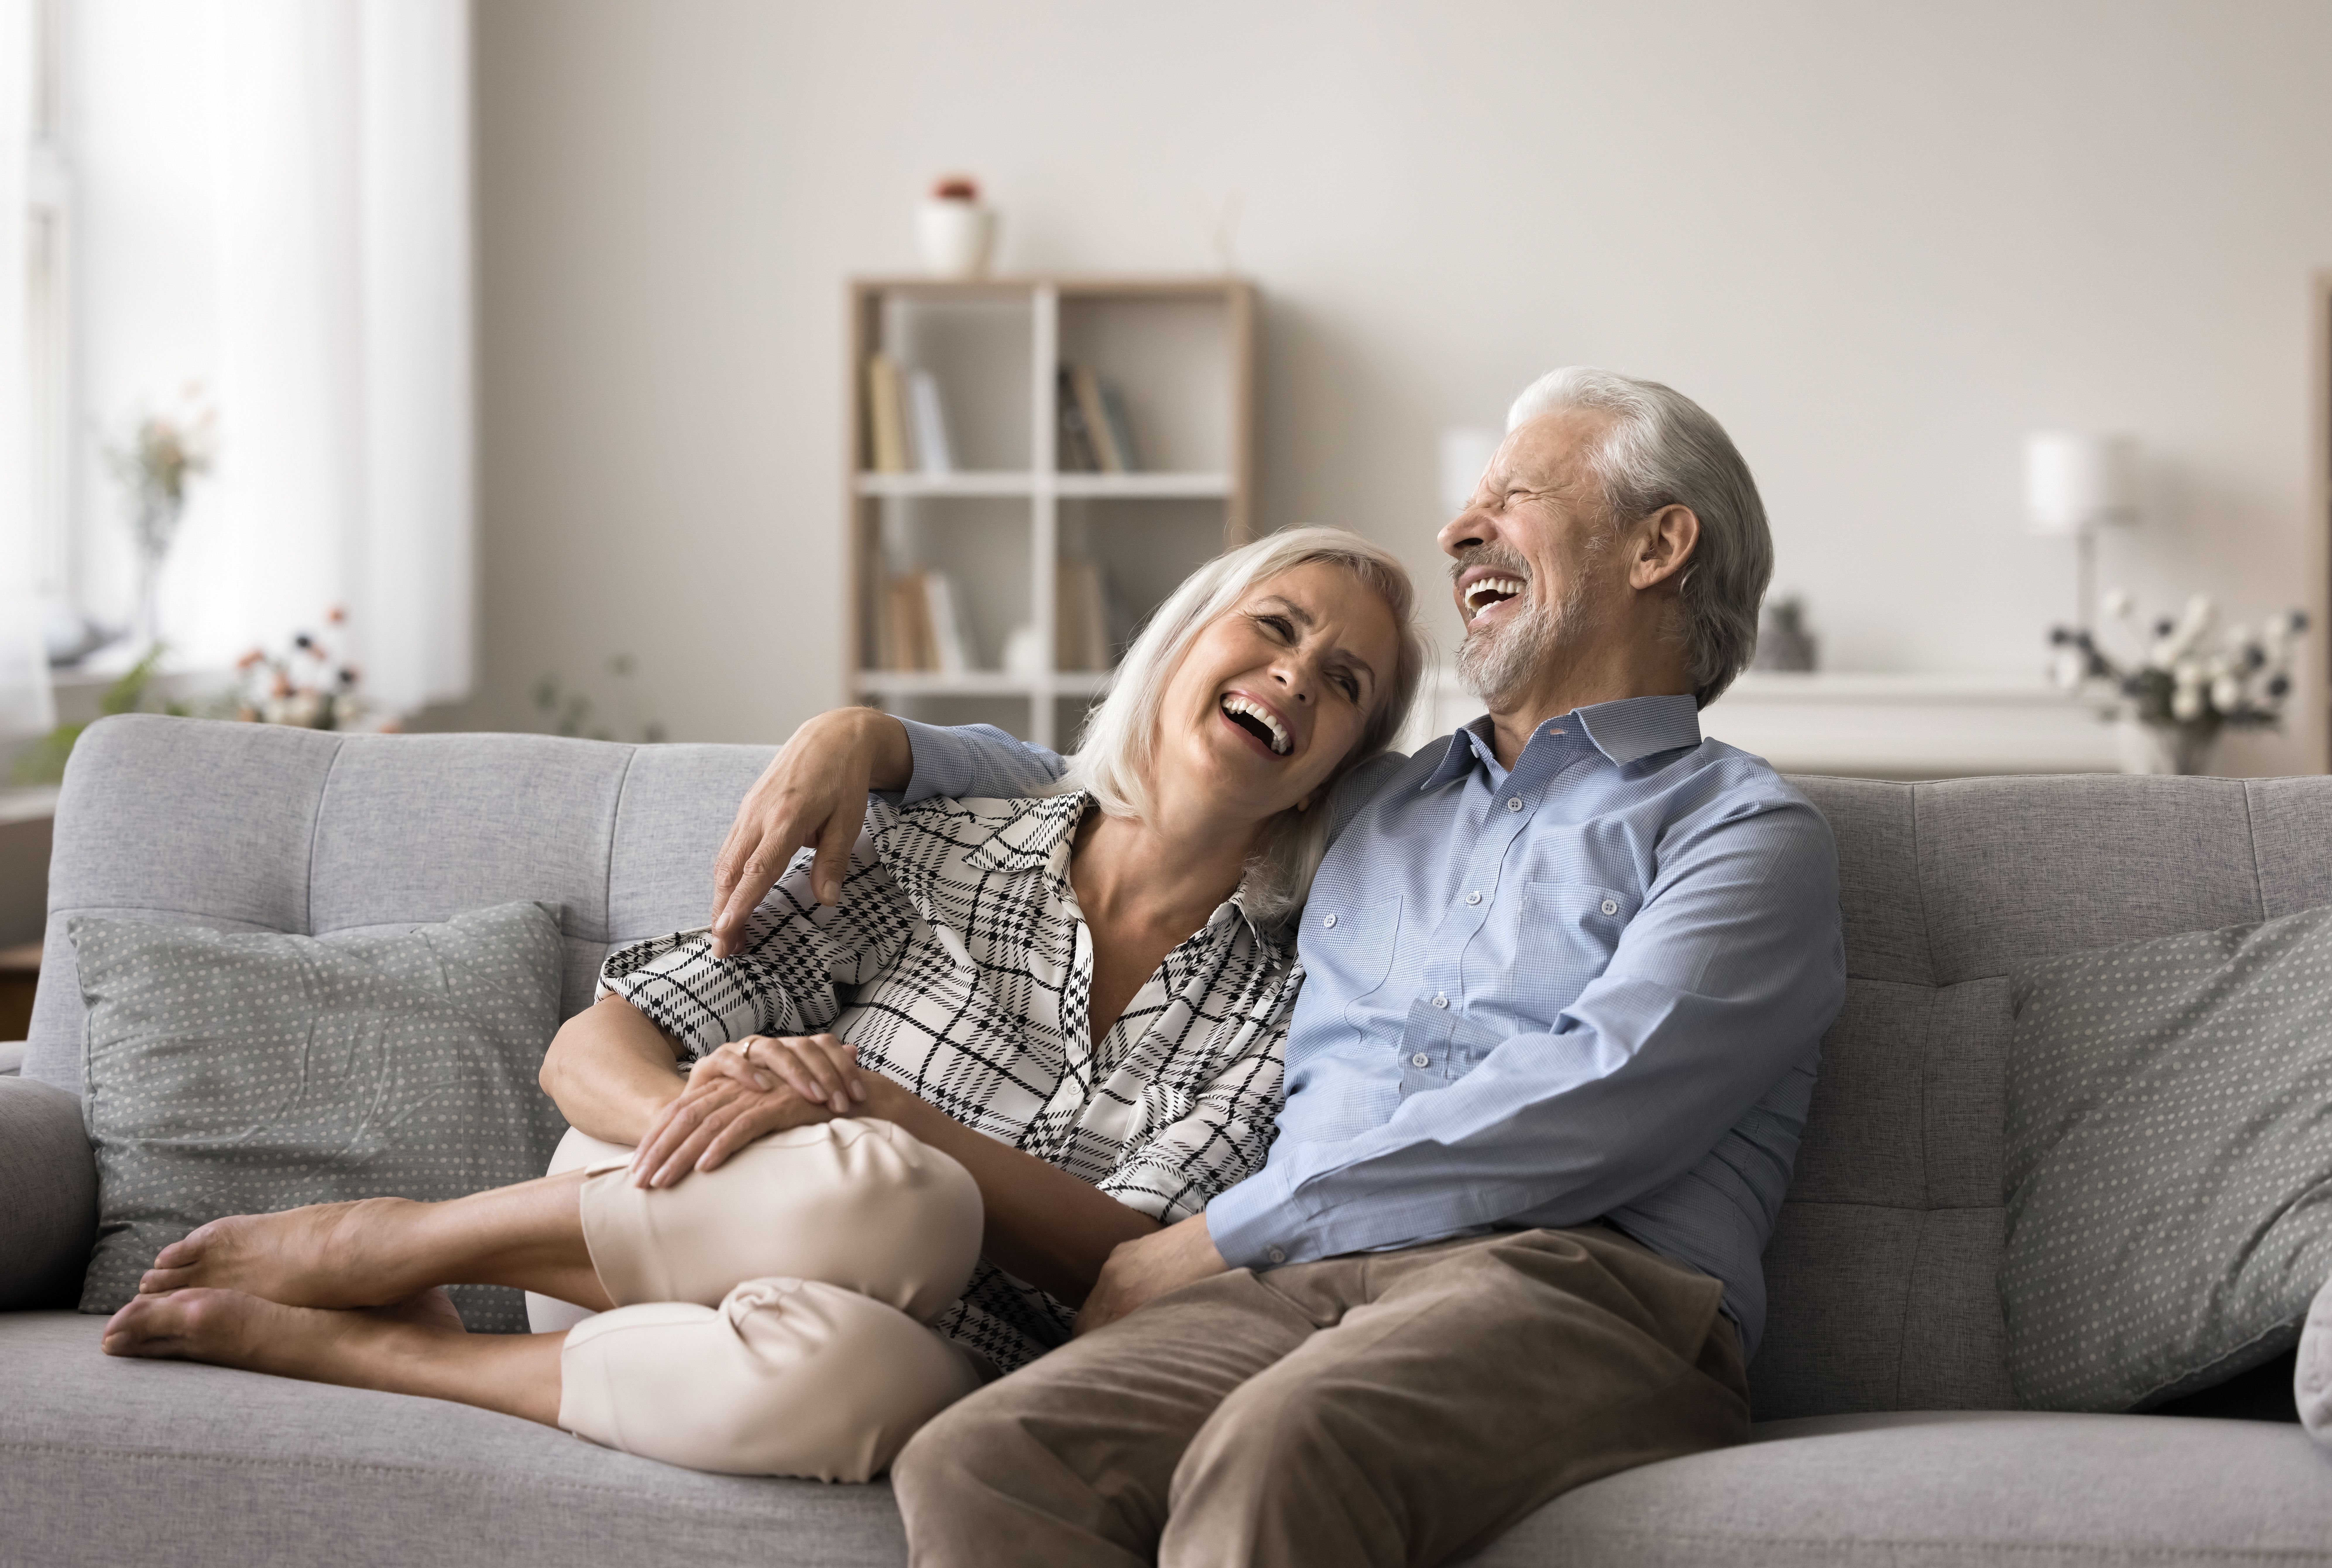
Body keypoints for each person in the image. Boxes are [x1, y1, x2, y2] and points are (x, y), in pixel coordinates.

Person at [709, 367, 1847, 1565]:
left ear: (1658, 544)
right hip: (1299, 1280)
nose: (1459, 529)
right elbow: (1139, 776)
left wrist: (1226, 1231)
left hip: (1585, 1288)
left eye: (1511, 495)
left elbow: (1601, 1097)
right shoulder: (1376, 803)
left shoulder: (1744, 832)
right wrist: (872, 737)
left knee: (1287, 1441)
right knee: (988, 1454)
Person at [99, 527, 1424, 1484]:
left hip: (883, 1347)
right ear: (1189, 640)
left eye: (1346, 682)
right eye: (1277, 624)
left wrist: (876, 1105)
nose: (1300, 673)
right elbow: (592, 1044)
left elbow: (1123, 1259)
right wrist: (715, 1135)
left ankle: (387, 1353)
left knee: (877, 1370)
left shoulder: (1296, 994)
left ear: (1331, 778)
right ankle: (400, 1243)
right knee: (883, 1194)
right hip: (644, 1234)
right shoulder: (947, 846)